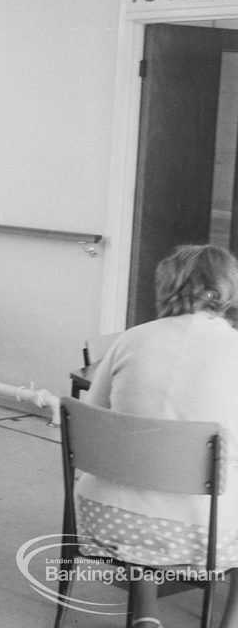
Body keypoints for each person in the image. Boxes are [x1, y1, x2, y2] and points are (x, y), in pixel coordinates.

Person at [77, 244, 238, 628]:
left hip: (108, 516)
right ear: (222, 290)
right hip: (204, 530)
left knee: (149, 476)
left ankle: (146, 613)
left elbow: (94, 414)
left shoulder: (130, 339)